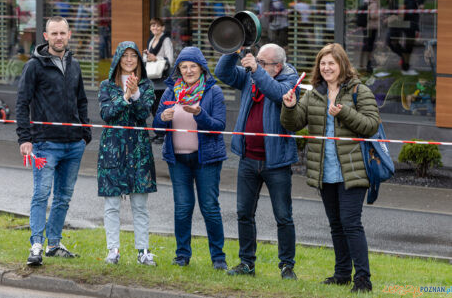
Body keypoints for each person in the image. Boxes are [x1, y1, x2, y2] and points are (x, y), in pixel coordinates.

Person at [280, 43, 380, 293]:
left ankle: (363, 279)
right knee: (336, 224)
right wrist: (290, 106)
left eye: (331, 63)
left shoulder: (359, 90)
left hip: (353, 169)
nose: (326, 68)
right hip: (325, 170)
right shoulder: (314, 93)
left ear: (342, 65)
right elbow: (294, 124)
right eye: (322, 64)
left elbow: (371, 125)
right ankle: (342, 274)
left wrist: (345, 113)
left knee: (351, 223)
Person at [214, 44, 299, 279]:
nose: (257, 65)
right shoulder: (252, 77)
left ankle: (287, 266)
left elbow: (276, 93)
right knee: (243, 213)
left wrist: (256, 70)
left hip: (277, 162)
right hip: (249, 158)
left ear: (277, 66)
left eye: (263, 62)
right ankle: (246, 264)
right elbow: (223, 73)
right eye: (257, 61)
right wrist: (233, 50)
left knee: (283, 216)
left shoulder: (290, 79)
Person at [16, 16, 91, 266]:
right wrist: (24, 138)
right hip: (45, 144)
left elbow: (82, 100)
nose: (59, 37)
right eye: (54, 33)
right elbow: (21, 103)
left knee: (63, 197)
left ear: (69, 35)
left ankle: (54, 244)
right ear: (46, 36)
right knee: (41, 194)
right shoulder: (34, 66)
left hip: (73, 145)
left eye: (63, 33)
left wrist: (85, 131)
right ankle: (36, 244)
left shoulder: (75, 65)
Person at [153, 47, 227, 270]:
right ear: (178, 69)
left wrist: (199, 114)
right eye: (183, 67)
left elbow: (218, 127)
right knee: (183, 208)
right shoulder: (171, 92)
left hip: (207, 161)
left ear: (202, 68)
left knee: (210, 208)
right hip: (178, 161)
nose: (188, 71)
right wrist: (163, 118)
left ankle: (218, 258)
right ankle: (182, 255)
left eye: (192, 66)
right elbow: (156, 127)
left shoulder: (213, 92)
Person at [97, 41, 157, 265]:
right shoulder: (106, 86)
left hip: (139, 151)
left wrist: (135, 94)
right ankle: (113, 250)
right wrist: (124, 97)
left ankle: (143, 251)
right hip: (112, 150)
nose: (130, 59)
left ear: (138, 60)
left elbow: (144, 114)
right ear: (118, 59)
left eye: (133, 55)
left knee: (140, 205)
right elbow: (107, 113)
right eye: (125, 55)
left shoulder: (147, 85)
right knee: (112, 204)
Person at [144, 17, 174, 144]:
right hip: (152, 80)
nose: (154, 28)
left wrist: (155, 58)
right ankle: (158, 132)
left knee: (161, 107)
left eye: (157, 26)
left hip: (162, 80)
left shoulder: (166, 40)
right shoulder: (151, 40)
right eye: (152, 26)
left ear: (162, 27)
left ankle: (163, 134)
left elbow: (170, 59)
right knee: (153, 108)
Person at [360, 0, 380, 74]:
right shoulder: (373, 4)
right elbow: (372, 15)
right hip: (372, 27)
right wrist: (379, 14)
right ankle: (368, 64)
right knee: (370, 46)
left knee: (366, 45)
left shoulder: (365, 2)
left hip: (366, 26)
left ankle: (363, 63)